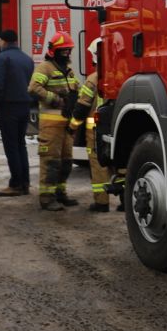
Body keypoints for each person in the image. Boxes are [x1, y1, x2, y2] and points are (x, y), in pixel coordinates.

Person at [29, 31, 79, 212]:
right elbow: (34, 88)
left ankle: (60, 193)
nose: (66, 54)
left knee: (66, 161)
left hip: (66, 123)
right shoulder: (45, 68)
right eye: (63, 51)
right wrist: (57, 99)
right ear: (53, 51)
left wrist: (75, 99)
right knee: (51, 162)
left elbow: (76, 88)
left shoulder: (69, 70)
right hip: (50, 125)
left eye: (68, 51)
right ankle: (46, 198)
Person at [69, 37, 113, 212]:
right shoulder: (119, 74)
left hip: (95, 130)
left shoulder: (94, 79)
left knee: (98, 166)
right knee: (120, 166)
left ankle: (102, 202)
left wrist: (72, 126)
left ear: (96, 56)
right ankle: (125, 202)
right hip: (115, 127)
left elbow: (82, 107)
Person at [0, 28, 34, 196]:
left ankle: (15, 183)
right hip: (25, 105)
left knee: (11, 146)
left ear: (3, 41)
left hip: (8, 106)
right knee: (20, 144)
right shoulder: (27, 59)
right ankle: (25, 182)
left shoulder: (3, 58)